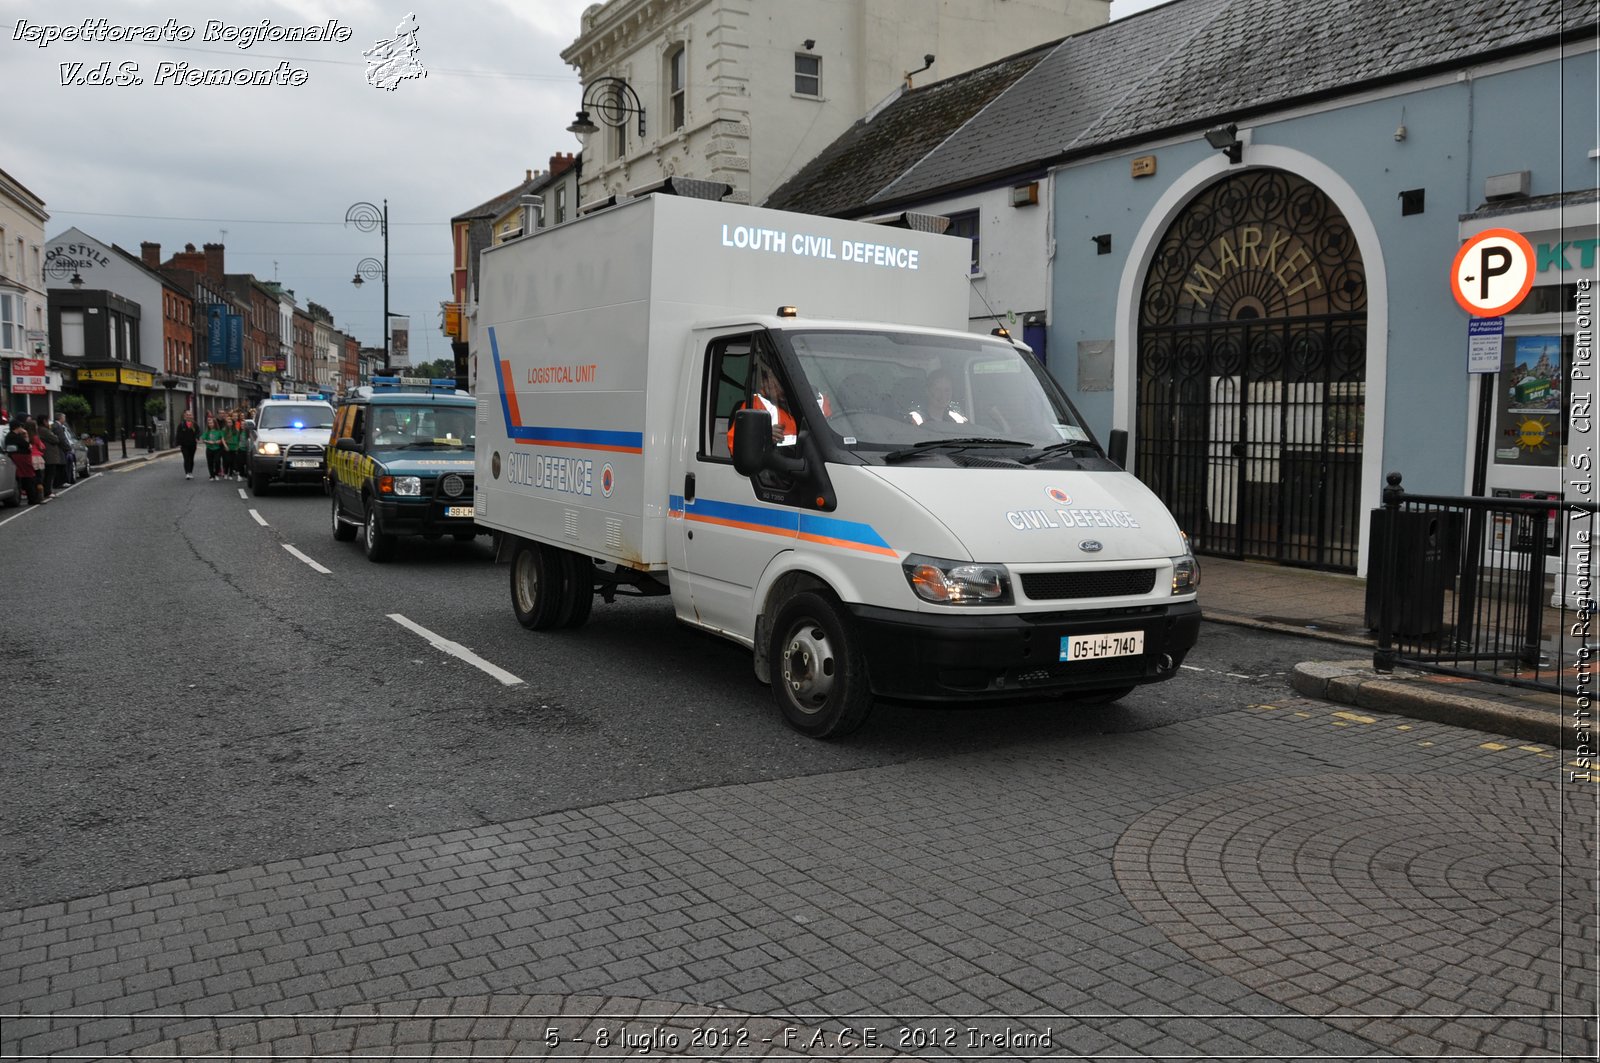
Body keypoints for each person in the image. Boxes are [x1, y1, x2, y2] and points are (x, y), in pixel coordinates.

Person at [726, 359, 797, 451]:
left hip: (795, 462)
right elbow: (735, 445)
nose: (782, 384)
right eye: (776, 379)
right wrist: (763, 437)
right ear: (764, 383)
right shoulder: (753, 406)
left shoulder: (788, 405)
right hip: (771, 464)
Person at [5, 420, 38, 505]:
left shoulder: (12, 436)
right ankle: (32, 498)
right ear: (17, 427)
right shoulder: (14, 437)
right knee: (29, 477)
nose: (21, 429)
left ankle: (32, 497)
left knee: (26, 477)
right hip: (22, 458)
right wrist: (26, 435)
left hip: (21, 458)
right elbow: (27, 445)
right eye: (20, 427)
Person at [35, 415, 64, 499]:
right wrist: (55, 436)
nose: (49, 423)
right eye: (47, 421)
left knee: (48, 474)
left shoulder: (41, 430)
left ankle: (46, 491)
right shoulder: (43, 430)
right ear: (44, 421)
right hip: (49, 456)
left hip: (48, 456)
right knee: (49, 475)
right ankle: (47, 492)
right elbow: (55, 439)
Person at [201, 414, 226, 481]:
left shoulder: (219, 431)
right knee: (210, 462)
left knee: (217, 461)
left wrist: (219, 441)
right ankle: (212, 476)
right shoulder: (207, 431)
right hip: (209, 449)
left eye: (211, 423)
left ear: (214, 423)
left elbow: (222, 439)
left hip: (217, 449)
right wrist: (208, 441)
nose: (210, 424)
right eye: (209, 423)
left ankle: (216, 474)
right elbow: (203, 439)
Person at [175, 411, 199, 480]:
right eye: (187, 415)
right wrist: (178, 443)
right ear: (185, 416)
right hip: (184, 445)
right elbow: (178, 434)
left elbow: (198, 432)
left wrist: (197, 437)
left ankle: (190, 472)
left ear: (192, 416)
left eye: (190, 415)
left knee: (191, 458)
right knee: (186, 458)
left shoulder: (194, 424)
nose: (189, 416)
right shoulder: (181, 424)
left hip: (192, 444)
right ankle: (187, 473)